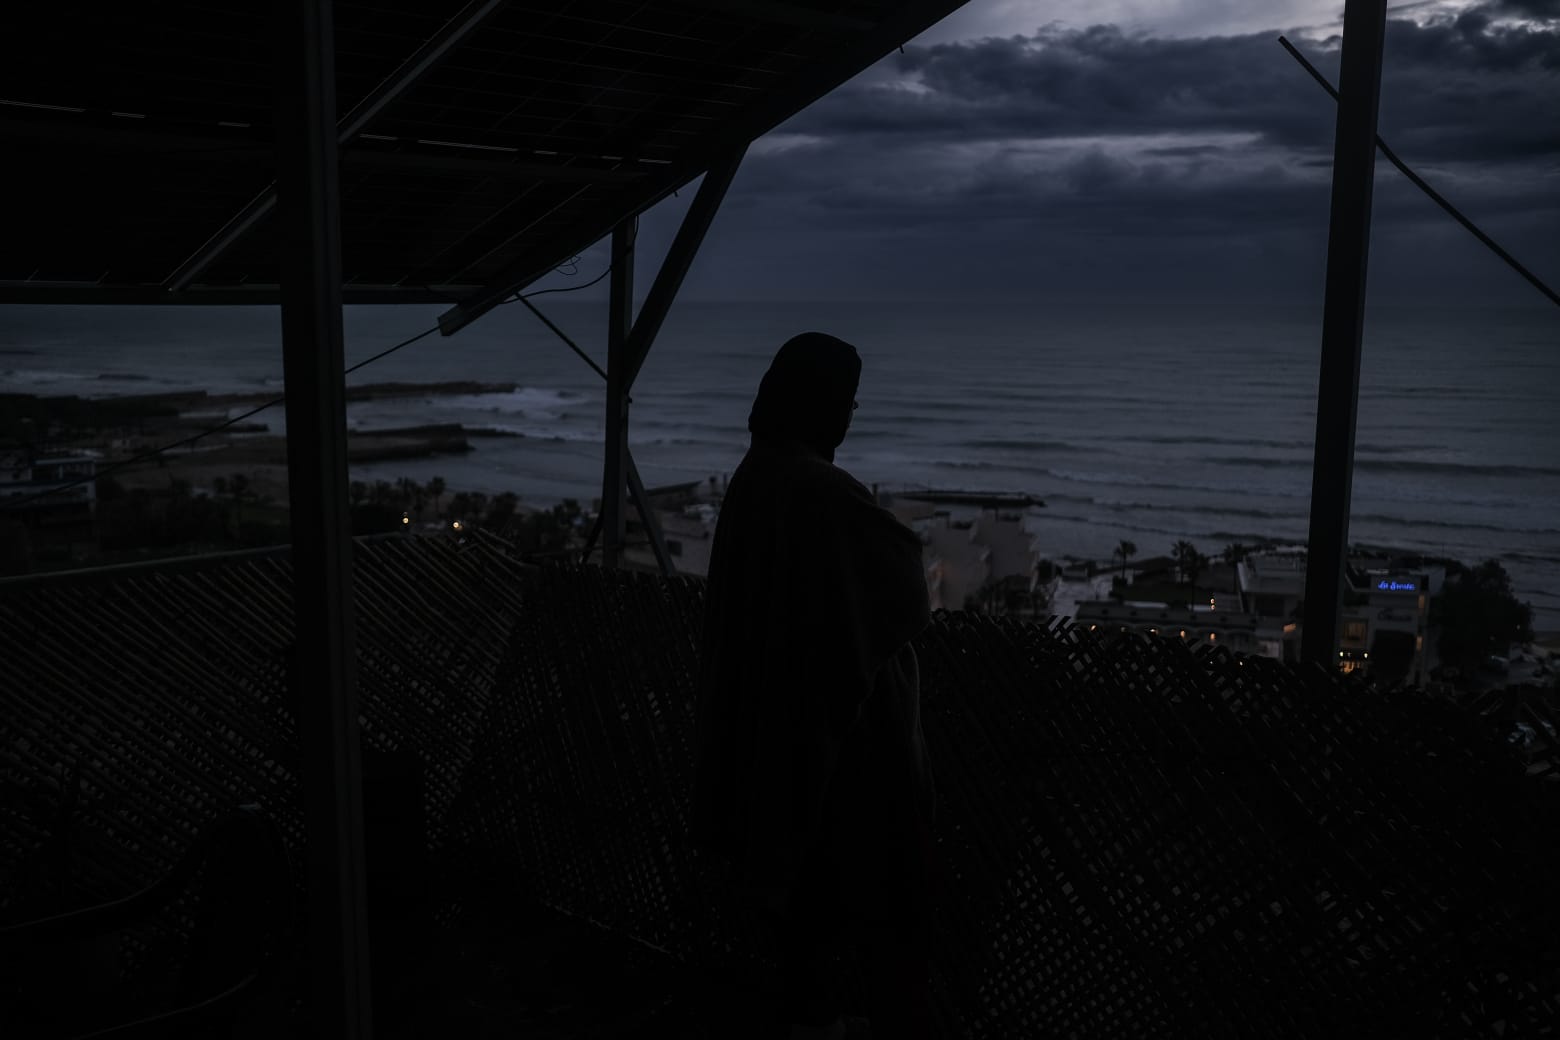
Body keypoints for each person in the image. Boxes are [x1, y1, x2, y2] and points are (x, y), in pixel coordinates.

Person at [693, 332, 937, 1039]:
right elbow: (904, 578)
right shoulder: (820, 490)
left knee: (800, 945)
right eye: (846, 399)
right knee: (867, 929)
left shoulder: (755, 476)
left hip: (771, 742)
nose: (851, 414)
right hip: (832, 758)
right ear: (820, 402)